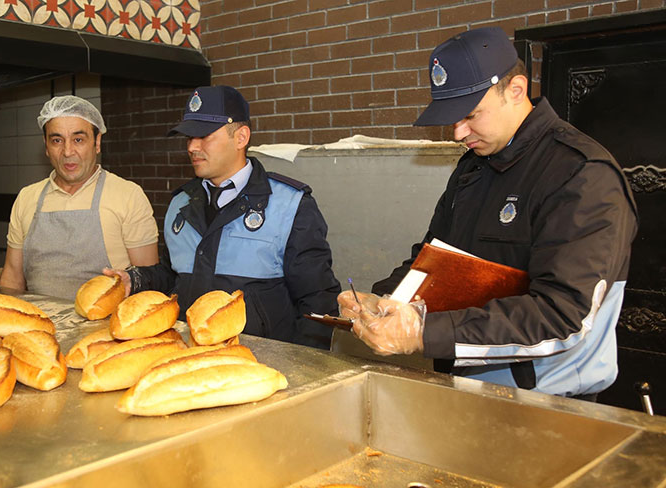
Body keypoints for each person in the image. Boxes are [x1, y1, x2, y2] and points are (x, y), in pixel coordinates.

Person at [338, 27, 638, 399]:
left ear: (515, 90)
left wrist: (422, 332)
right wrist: (384, 301)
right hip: (464, 384)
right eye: (452, 119)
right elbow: (434, 260)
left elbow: (564, 317)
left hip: (548, 399)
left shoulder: (581, 174)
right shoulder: (473, 168)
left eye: (471, 115)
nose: (458, 133)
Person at [106, 86, 341, 349]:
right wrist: (136, 280)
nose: (192, 147)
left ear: (241, 137)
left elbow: (318, 301)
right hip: (189, 356)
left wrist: (305, 366)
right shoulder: (180, 203)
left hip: (260, 363)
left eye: (204, 135)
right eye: (188, 138)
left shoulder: (290, 204)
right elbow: (175, 277)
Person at [0, 95, 159, 300]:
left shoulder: (128, 196)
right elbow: (12, 277)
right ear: (46, 146)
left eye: (78, 140)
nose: (67, 152)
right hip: (39, 323)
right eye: (57, 140)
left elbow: (147, 283)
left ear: (97, 142)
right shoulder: (27, 198)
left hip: (105, 327)